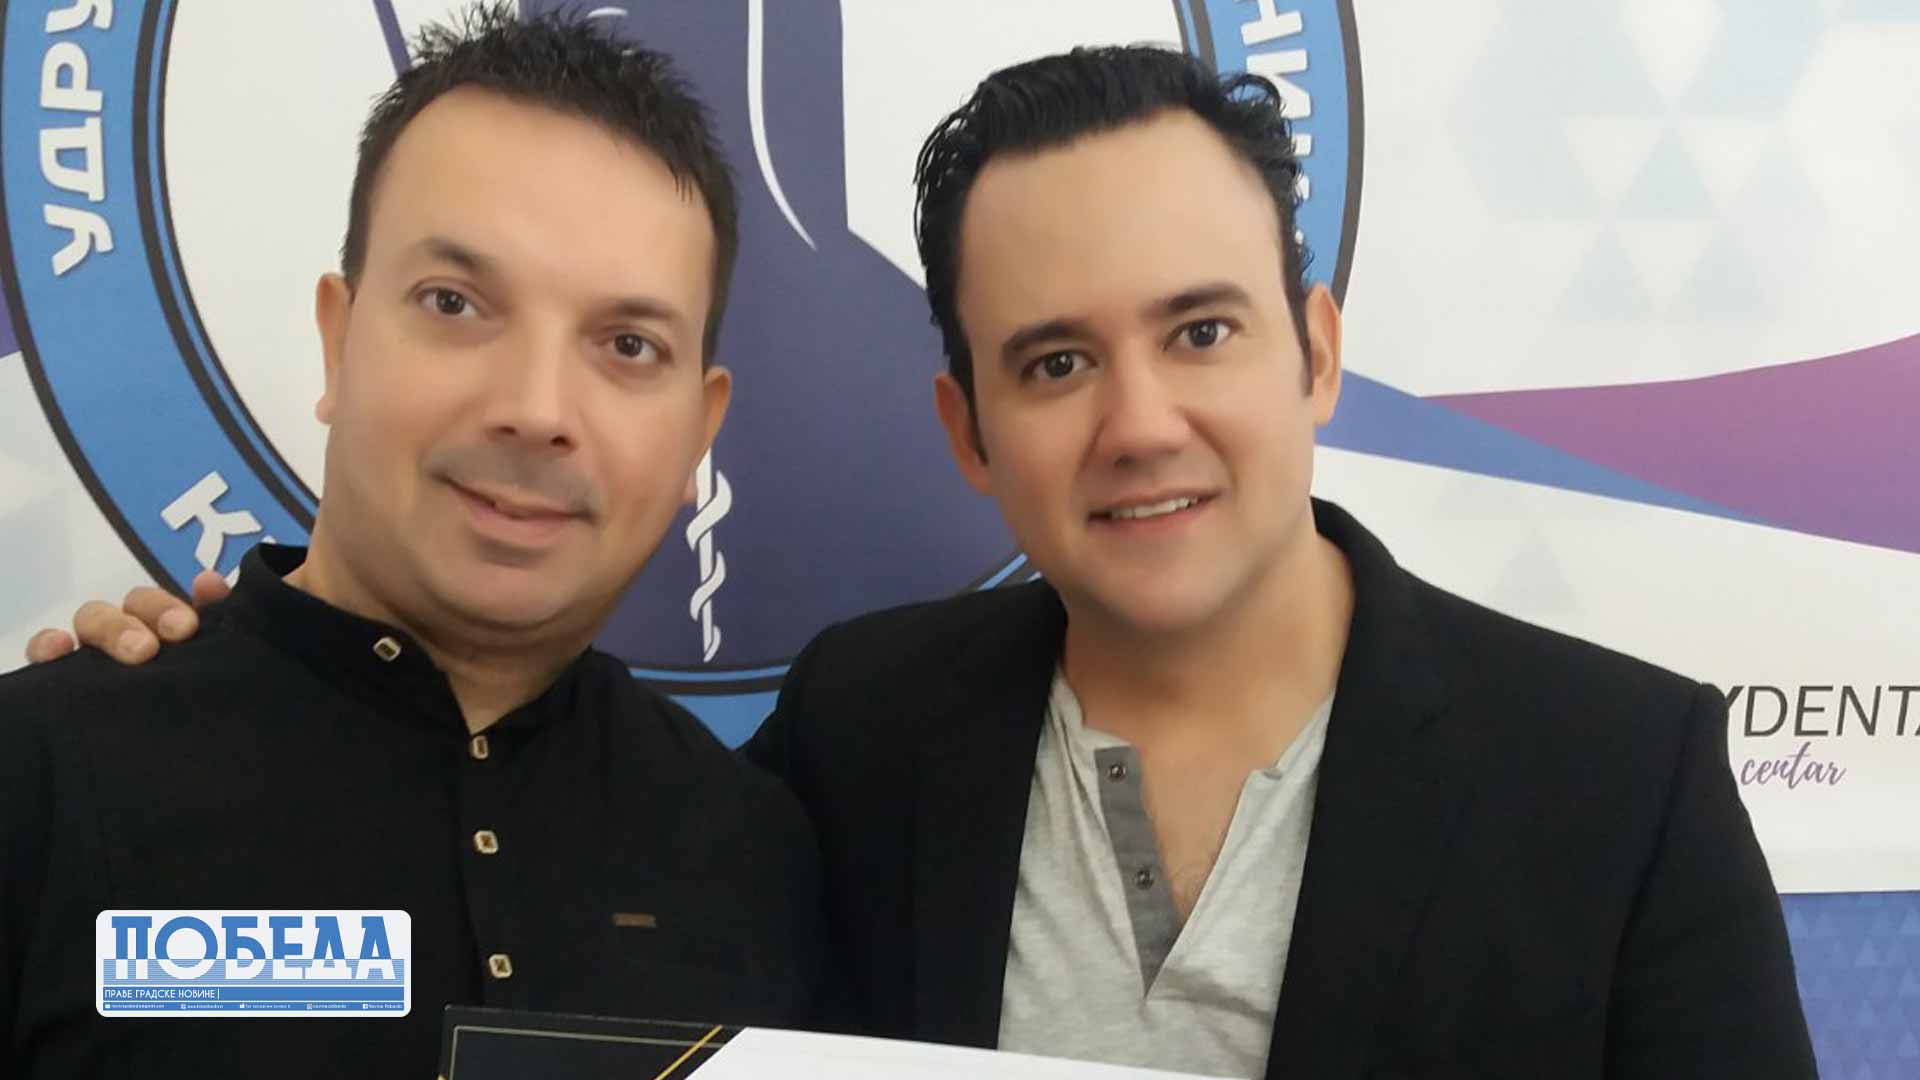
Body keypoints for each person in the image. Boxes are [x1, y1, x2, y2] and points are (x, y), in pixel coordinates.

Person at [36, 43, 1816, 1080]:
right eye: (1054, 361)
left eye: (1201, 330)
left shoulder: (1622, 779)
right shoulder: (862, 747)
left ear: (1318, 349)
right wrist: (164, 698)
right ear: (969, 428)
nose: (1138, 422)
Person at [1, 8, 818, 1078]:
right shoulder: (40, 777)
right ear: (338, 340)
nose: (536, 409)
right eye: (456, 303)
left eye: (628, 344)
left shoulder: (758, 857)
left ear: (698, 432)